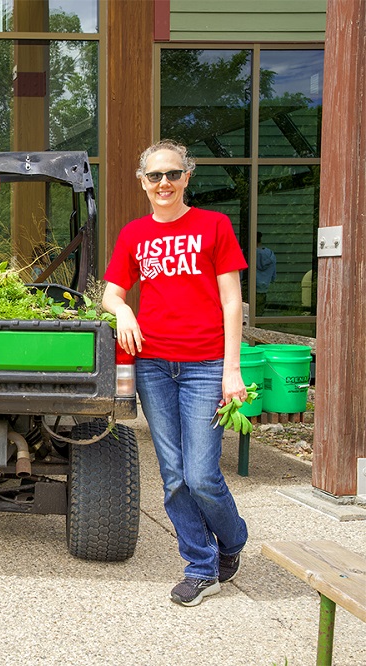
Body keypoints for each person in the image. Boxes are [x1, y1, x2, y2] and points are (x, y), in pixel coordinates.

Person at [102, 140, 249, 607]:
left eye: (172, 174)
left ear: (188, 177)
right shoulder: (133, 235)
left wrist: (232, 372)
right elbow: (111, 292)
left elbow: (232, 302)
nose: (163, 183)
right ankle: (201, 566)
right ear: (142, 182)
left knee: (202, 474)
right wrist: (123, 312)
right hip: (154, 367)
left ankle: (233, 538)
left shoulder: (214, 226)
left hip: (206, 366)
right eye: (154, 176)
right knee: (173, 476)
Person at [254, 231, 276, 316]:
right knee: (258, 316)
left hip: (247, 290)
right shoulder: (271, 255)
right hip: (263, 290)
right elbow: (273, 275)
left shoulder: (247, 254)